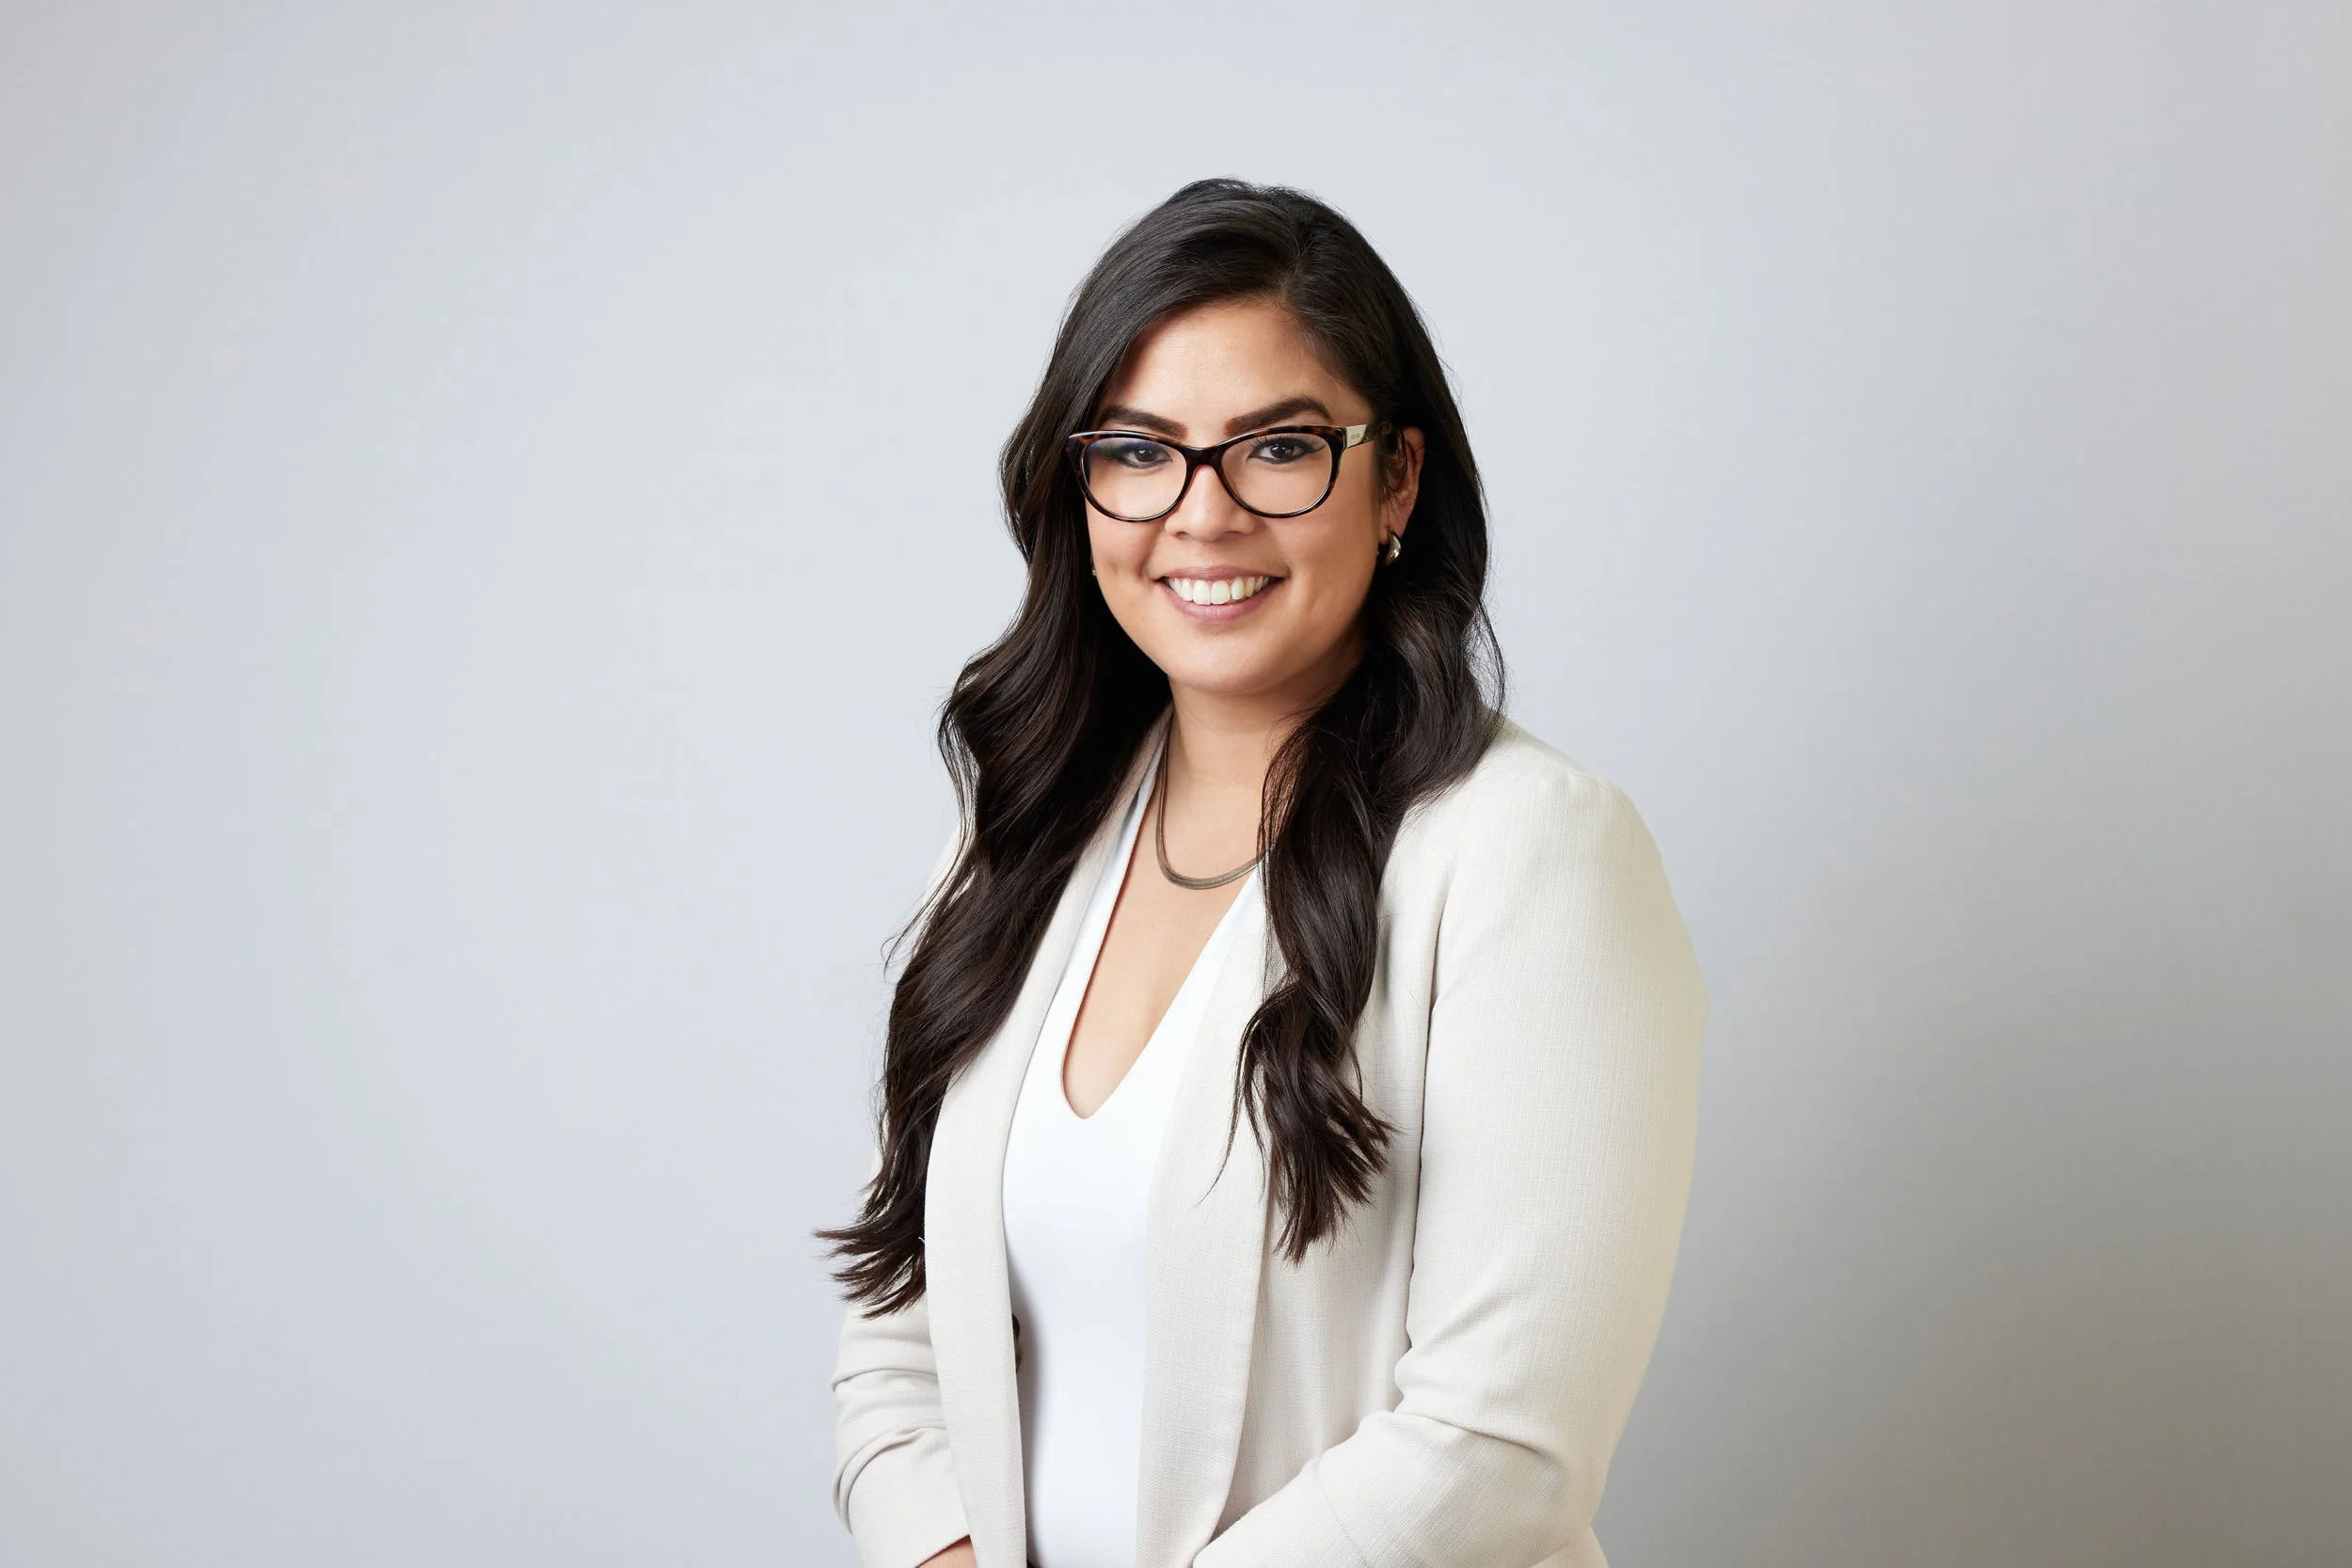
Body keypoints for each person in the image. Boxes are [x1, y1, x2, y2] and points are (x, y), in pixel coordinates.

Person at [821, 179, 1709, 1568]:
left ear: (1397, 478)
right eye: (1139, 450)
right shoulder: (1017, 840)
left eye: (1280, 448)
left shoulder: (1531, 852)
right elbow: (897, 1335)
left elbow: (1502, 1447)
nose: (1202, 513)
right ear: (1083, 482)